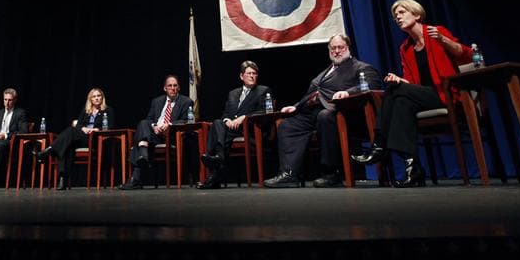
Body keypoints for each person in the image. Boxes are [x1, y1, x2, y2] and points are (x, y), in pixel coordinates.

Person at [352, 0, 473, 187]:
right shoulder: (406, 48)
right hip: (423, 96)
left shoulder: (436, 33)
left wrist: (443, 40)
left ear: (416, 14)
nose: (398, 18)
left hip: (445, 94)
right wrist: (400, 80)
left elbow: (466, 55)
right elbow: (411, 82)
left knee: (395, 92)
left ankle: (379, 144)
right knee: (401, 102)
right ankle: (412, 168)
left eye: (402, 12)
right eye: (395, 16)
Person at [264, 33, 382, 188]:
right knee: (288, 125)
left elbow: (371, 84)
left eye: (340, 47)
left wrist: (348, 92)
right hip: (313, 112)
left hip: (344, 114)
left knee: (324, 116)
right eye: (333, 48)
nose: (337, 51)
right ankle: (289, 174)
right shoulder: (326, 72)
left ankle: (331, 173)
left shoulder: (361, 67)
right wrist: (296, 106)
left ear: (348, 48)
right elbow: (312, 94)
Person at [198, 60, 270, 189]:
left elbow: (265, 112)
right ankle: (219, 159)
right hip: (231, 130)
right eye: (249, 73)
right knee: (218, 122)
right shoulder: (233, 93)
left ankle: (215, 167)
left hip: (250, 130)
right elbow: (225, 114)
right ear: (242, 76)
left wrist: (244, 117)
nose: (252, 76)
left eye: (254, 73)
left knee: (218, 130)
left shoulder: (262, 91)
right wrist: (228, 120)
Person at [119, 74, 193, 190]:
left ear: (178, 88)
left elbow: (186, 121)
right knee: (144, 123)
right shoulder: (157, 101)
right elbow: (149, 119)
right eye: (170, 86)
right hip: (153, 134)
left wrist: (169, 125)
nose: (172, 88)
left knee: (141, 140)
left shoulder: (186, 101)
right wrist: (154, 126)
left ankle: (135, 177)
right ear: (165, 88)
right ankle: (143, 153)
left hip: (170, 135)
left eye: (175, 85)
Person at [34, 87, 115, 190]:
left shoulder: (108, 110)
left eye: (98, 96)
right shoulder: (86, 110)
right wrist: (83, 128)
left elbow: (111, 127)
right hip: (82, 138)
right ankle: (62, 179)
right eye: (94, 96)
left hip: (95, 139)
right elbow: (79, 125)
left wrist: (96, 129)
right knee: (67, 147)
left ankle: (49, 150)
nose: (96, 98)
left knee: (70, 131)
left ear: (102, 98)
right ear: (90, 99)